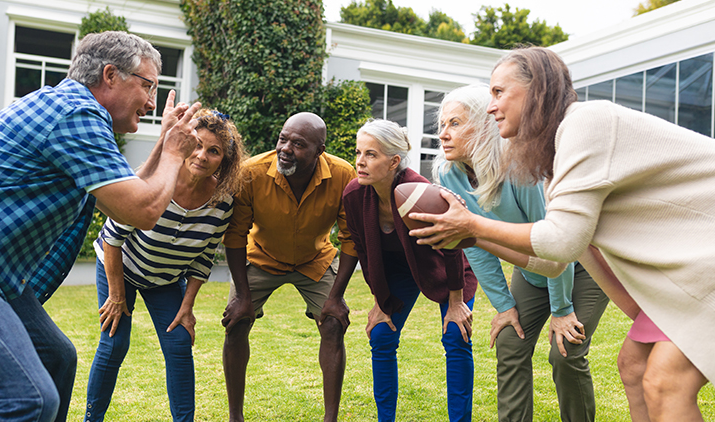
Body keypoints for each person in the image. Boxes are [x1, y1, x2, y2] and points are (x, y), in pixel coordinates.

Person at [410, 46, 715, 422]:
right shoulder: (550, 154)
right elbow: (561, 259)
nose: (490, 106)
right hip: (687, 267)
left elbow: (561, 241)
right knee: (634, 367)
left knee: (664, 381)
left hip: (710, 256)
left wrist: (472, 228)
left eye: (498, 93)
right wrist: (473, 239)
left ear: (537, 90)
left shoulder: (586, 124)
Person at [0, 31, 201, 422]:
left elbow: (128, 195)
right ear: (110, 75)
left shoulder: (68, 111)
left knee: (56, 358)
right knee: (25, 398)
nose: (152, 102)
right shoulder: (76, 114)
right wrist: (174, 151)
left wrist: (164, 146)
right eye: (148, 85)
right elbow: (141, 211)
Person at [432, 84, 609, 421]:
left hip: (582, 264)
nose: (443, 133)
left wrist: (562, 309)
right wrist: (504, 305)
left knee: (566, 352)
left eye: (455, 123)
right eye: (441, 124)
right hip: (534, 271)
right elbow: (474, 244)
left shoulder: (520, 168)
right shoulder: (448, 173)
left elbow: (556, 244)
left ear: (485, 124)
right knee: (511, 344)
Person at [84, 107, 246, 421]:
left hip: (165, 280)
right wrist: (117, 297)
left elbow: (204, 257)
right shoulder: (155, 183)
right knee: (115, 342)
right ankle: (92, 418)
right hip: (121, 268)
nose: (201, 155)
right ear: (184, 143)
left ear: (224, 160)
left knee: (179, 342)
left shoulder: (223, 202)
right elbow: (112, 239)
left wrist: (187, 306)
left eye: (213, 151)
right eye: (196, 144)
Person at [220, 112, 359, 422]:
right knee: (237, 321)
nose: (286, 148)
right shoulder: (251, 173)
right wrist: (242, 295)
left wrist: (336, 297)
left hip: (314, 260)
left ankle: (330, 418)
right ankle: (235, 417)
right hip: (262, 257)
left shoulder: (342, 175)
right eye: (283, 139)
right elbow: (235, 235)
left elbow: (351, 238)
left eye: (298, 144)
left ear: (319, 150)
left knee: (334, 323)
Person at [342, 119, 478, 421]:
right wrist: (380, 301)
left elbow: (452, 245)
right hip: (397, 273)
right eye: (358, 152)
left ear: (393, 162)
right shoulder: (354, 195)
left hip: (444, 267)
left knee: (457, 334)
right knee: (380, 334)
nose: (360, 162)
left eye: (371, 155)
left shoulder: (421, 192)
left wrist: (456, 303)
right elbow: (364, 252)